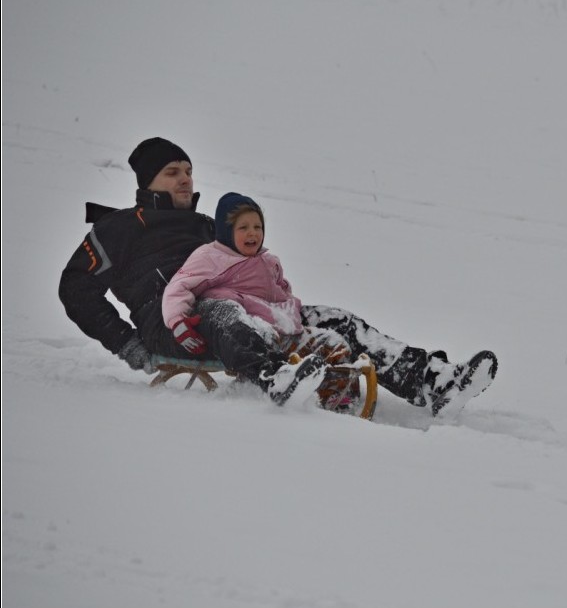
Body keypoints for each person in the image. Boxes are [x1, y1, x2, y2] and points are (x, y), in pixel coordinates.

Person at [59, 136, 497, 414]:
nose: (185, 180)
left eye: (189, 171)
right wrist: (126, 343)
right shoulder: (118, 228)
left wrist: (283, 309)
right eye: (172, 173)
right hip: (177, 323)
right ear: (147, 181)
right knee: (220, 309)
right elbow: (75, 286)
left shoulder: (204, 226)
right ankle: (274, 377)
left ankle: (431, 383)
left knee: (334, 318)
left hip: (239, 312)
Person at [161, 191, 359, 408]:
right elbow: (178, 287)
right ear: (227, 232)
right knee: (240, 323)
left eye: (258, 227)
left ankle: (339, 399)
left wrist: (291, 313)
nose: (252, 233)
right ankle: (272, 378)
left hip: (282, 329)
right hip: (248, 328)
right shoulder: (210, 257)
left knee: (333, 343)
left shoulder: (268, 261)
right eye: (243, 227)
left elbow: (283, 291)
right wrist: (177, 321)